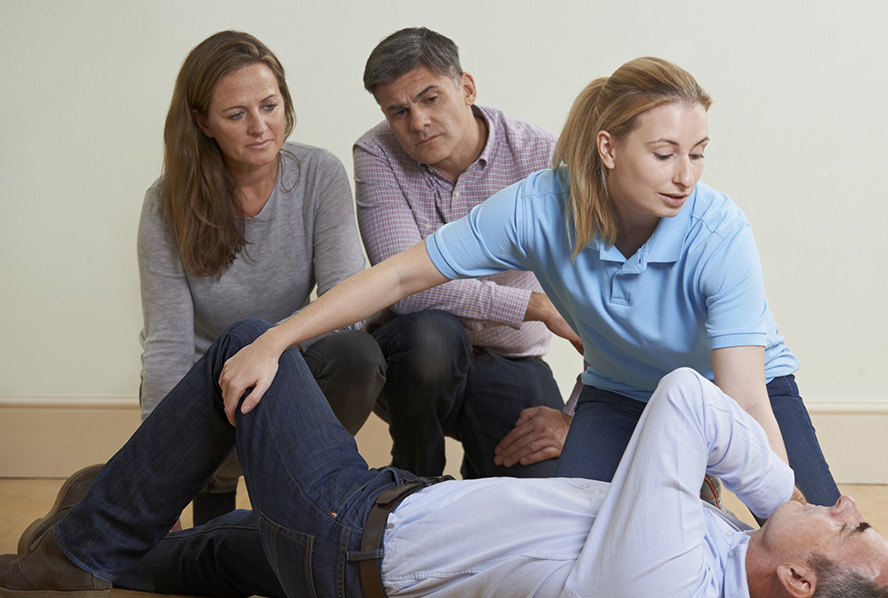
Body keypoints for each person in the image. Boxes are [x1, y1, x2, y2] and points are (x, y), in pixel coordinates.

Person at [0, 319, 888, 598]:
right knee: (212, 552)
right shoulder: (745, 593)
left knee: (250, 348)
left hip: (351, 535)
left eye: (850, 530)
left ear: (806, 582)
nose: (845, 507)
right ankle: (110, 545)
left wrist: (778, 494)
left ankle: (78, 545)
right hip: (387, 553)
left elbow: (690, 399)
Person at [215, 56, 835, 505]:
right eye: (665, 152)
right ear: (609, 149)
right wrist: (272, 342)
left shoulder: (718, 230)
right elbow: (400, 276)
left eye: (697, 152)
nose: (686, 174)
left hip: (732, 387)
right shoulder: (540, 207)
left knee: (812, 530)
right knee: (574, 539)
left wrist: (790, 516)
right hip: (619, 394)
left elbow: (744, 395)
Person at [138, 31, 385, 523]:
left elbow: (346, 303)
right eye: (236, 115)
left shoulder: (319, 174)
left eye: (270, 106)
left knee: (357, 356)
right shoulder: (164, 204)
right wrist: (155, 454)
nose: (260, 127)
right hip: (209, 391)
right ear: (202, 122)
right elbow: (168, 342)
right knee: (203, 548)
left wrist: (271, 353)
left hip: (291, 368)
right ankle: (217, 482)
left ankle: (290, 497)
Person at [353, 27, 578, 479]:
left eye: (430, 98)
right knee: (433, 335)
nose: (417, 123)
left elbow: (606, 299)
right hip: (413, 358)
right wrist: (531, 305)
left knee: (546, 481)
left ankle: (476, 489)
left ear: (467, 88)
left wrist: (575, 417)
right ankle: (415, 480)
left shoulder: (544, 158)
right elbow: (408, 291)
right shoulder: (376, 152)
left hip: (510, 357)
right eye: (398, 111)